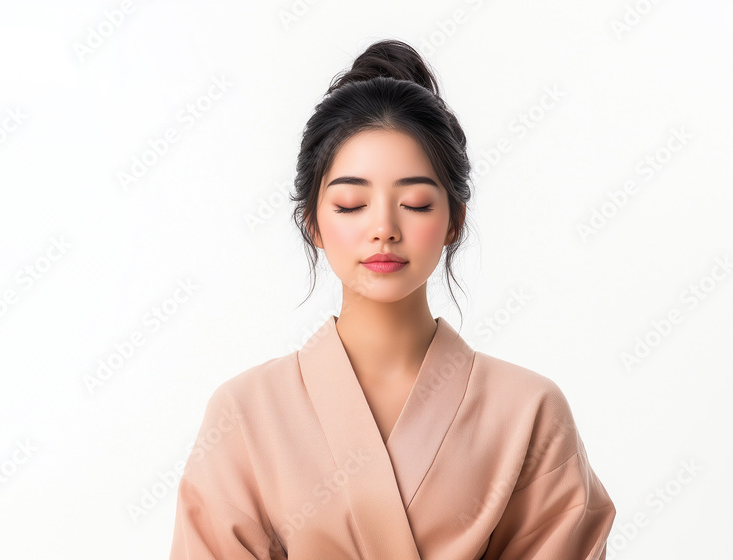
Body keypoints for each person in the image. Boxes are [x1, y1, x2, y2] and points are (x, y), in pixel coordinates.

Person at [169, 39, 615, 559]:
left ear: (454, 221)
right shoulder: (245, 413)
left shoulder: (530, 411)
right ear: (312, 221)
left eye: (416, 202)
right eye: (351, 203)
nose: (383, 228)